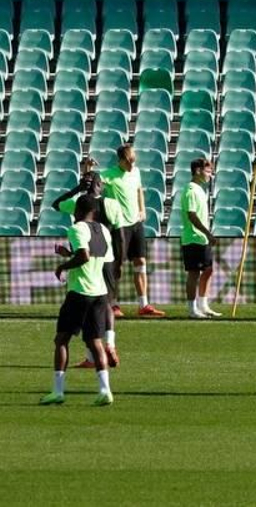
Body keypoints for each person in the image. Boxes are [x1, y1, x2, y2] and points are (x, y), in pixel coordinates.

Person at [41, 197, 116, 406]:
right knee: (95, 343)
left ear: (80, 209)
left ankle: (58, 391)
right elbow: (95, 257)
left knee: (61, 340)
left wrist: (62, 266)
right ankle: (105, 391)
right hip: (99, 292)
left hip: (80, 292)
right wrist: (69, 253)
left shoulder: (76, 228)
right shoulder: (104, 230)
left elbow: (83, 257)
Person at [103, 143, 162, 317]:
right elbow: (89, 183)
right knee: (117, 266)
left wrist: (142, 209)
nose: (132, 165)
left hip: (136, 224)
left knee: (141, 262)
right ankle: (113, 304)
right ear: (120, 160)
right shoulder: (108, 175)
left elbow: (139, 190)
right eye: (129, 161)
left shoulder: (135, 172)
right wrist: (88, 168)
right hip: (119, 226)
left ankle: (144, 305)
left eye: (134, 161)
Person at [179, 157, 220, 319]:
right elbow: (191, 215)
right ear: (198, 171)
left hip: (202, 238)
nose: (210, 174)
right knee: (194, 273)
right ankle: (192, 308)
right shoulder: (190, 190)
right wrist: (208, 233)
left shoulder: (200, 190)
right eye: (208, 171)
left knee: (208, 270)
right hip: (193, 238)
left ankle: (203, 304)